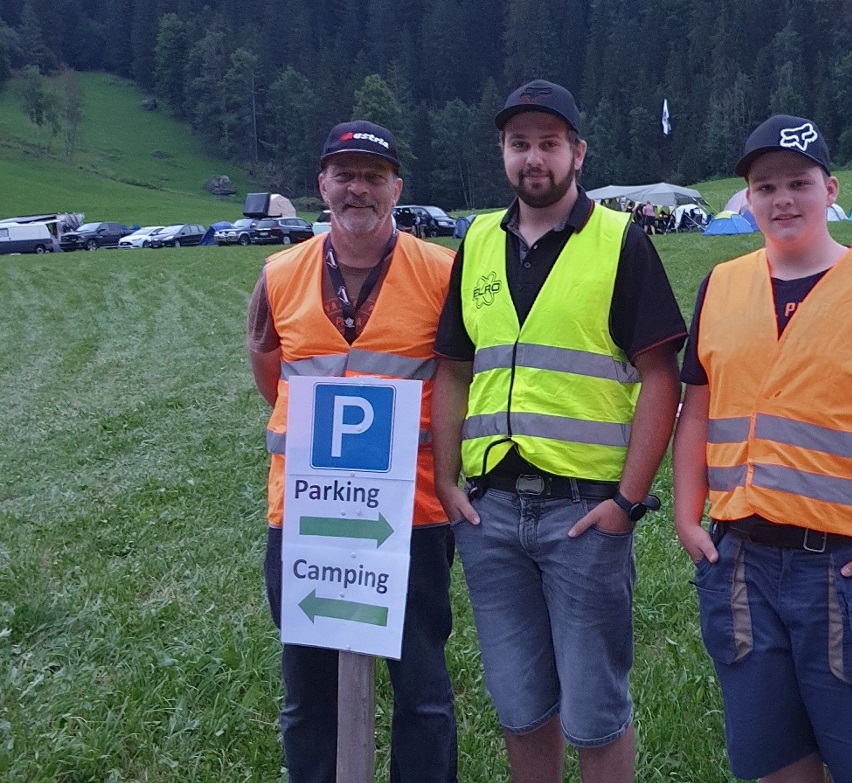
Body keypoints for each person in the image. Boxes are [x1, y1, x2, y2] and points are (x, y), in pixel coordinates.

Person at [672, 114, 852, 783]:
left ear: (831, 188)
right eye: (764, 185)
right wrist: (689, 515)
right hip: (739, 560)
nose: (782, 200)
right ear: (744, 198)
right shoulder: (720, 286)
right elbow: (699, 409)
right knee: (772, 758)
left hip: (847, 570)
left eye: (798, 182)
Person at [431, 78, 685, 783]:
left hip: (584, 515)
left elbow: (661, 375)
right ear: (502, 154)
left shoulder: (619, 242)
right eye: (519, 144)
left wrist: (627, 502)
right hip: (490, 514)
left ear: (579, 152)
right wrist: (446, 480)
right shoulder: (478, 239)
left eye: (548, 143)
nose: (532, 158)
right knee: (519, 707)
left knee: (596, 712)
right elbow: (452, 367)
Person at [247, 119, 458, 783]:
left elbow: (461, 378)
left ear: (397, 187)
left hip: (414, 513)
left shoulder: (442, 272)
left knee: (421, 689)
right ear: (322, 186)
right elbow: (268, 366)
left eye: (373, 176)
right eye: (345, 175)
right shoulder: (279, 275)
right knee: (307, 693)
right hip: (306, 512)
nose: (358, 188)